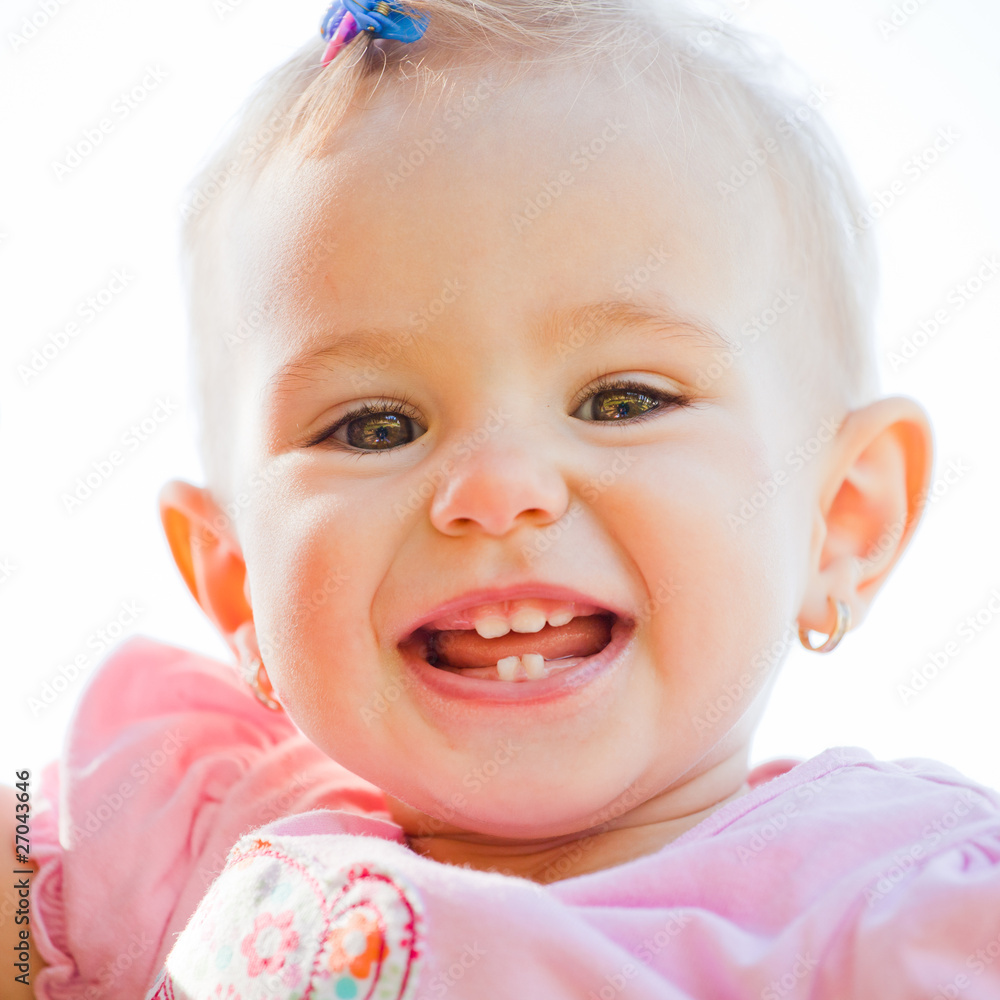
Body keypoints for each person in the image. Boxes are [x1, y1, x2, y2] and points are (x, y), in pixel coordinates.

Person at [4, 0, 999, 996]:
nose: (493, 491)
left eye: (621, 401)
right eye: (374, 426)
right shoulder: (183, 826)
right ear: (237, 584)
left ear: (842, 518)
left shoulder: (897, 904)